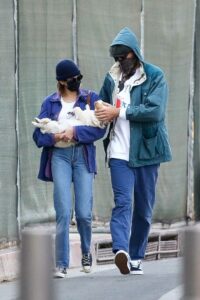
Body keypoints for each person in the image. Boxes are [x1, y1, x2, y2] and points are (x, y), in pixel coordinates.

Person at [95, 27, 172, 275]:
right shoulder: (111, 78)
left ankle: (136, 255)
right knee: (123, 202)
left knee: (143, 208)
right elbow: (102, 105)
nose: (120, 62)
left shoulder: (154, 76)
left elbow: (155, 112)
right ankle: (121, 250)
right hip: (118, 152)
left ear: (135, 54)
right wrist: (98, 110)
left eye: (124, 57)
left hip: (146, 152)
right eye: (116, 58)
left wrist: (120, 112)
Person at [33, 59, 106, 278]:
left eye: (79, 78)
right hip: (59, 156)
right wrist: (54, 136)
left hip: (82, 155)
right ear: (62, 81)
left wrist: (74, 133)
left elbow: (100, 129)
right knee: (63, 211)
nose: (78, 82)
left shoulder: (90, 98)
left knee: (83, 213)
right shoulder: (50, 102)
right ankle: (62, 263)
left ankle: (86, 253)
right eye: (74, 79)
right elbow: (37, 135)